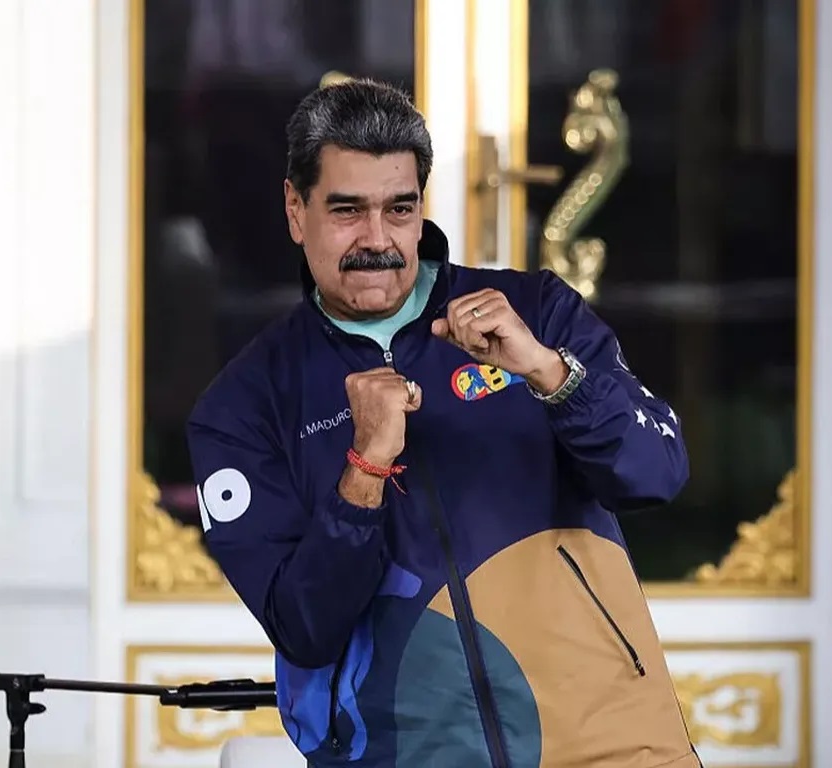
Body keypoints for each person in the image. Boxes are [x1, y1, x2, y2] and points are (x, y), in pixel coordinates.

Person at [187, 78, 700, 768]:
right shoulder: (243, 406)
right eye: (347, 210)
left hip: (606, 739)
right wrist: (364, 470)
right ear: (295, 209)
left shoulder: (537, 311)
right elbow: (304, 629)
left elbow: (656, 472)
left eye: (399, 209)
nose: (377, 239)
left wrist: (549, 373)